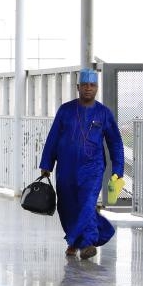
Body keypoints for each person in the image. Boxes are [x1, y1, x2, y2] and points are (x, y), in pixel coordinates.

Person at [39, 69, 125, 259]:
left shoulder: (104, 113)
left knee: (87, 204)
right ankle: (74, 240)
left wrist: (118, 170)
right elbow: (53, 138)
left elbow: (116, 143)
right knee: (67, 206)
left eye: (92, 85)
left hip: (92, 168)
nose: (88, 89)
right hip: (66, 168)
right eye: (84, 85)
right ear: (78, 87)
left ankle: (87, 243)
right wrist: (46, 164)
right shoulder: (65, 110)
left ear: (97, 88)